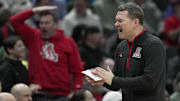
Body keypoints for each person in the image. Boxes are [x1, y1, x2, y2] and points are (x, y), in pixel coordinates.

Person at [86, 3, 166, 101]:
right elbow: (116, 84)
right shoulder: (121, 47)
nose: (116, 24)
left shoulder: (154, 45)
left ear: (135, 22)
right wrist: (103, 80)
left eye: (120, 21)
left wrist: (113, 80)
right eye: (116, 21)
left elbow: (149, 82)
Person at [9, 6, 83, 101]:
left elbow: (77, 69)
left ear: (56, 24)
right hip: (38, 93)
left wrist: (75, 90)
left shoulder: (68, 42)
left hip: (61, 94)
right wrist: (34, 11)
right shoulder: (33, 36)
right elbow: (14, 21)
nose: (43, 26)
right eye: (41, 23)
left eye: (47, 23)